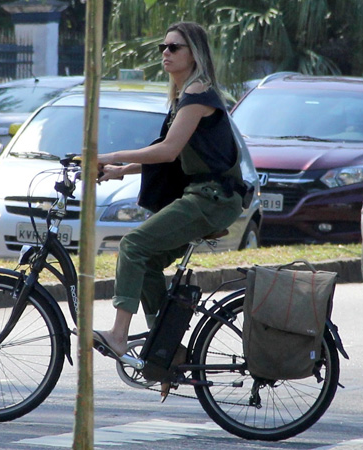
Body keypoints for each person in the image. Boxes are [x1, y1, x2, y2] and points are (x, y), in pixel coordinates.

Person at [94, 22, 245, 396]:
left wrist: (109, 154)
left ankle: (118, 334)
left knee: (132, 246)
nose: (165, 52)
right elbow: (169, 156)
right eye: (163, 46)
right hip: (204, 195)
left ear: (193, 53)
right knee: (145, 262)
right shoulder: (185, 98)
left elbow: (166, 152)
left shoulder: (198, 93)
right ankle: (167, 352)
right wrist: (119, 170)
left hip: (212, 197)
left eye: (174, 47)